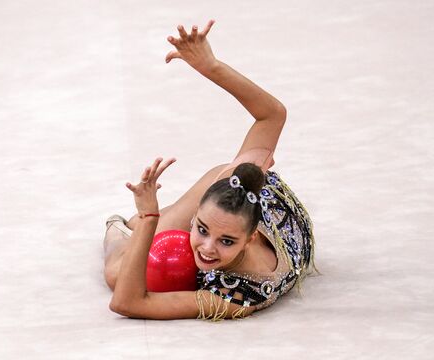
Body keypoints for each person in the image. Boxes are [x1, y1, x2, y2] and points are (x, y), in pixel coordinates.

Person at [103, 19, 317, 321]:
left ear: (250, 238)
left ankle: (126, 224)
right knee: (129, 256)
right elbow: (273, 115)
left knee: (116, 275)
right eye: (200, 228)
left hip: (266, 220)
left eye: (226, 241)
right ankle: (129, 225)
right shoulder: (234, 183)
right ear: (199, 212)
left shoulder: (237, 296)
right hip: (248, 189)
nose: (206, 248)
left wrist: (150, 218)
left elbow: (127, 303)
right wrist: (210, 66)